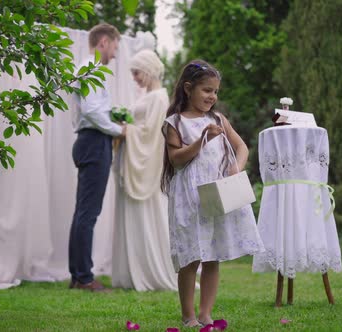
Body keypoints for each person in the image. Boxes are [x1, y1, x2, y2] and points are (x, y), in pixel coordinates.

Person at [161, 60, 265, 327]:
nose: (212, 97)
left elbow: (242, 147)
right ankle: (188, 315)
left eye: (215, 91)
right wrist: (202, 140)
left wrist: (235, 167)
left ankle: (206, 313)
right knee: (191, 256)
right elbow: (176, 160)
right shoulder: (175, 122)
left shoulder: (218, 119)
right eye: (206, 90)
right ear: (188, 88)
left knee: (212, 254)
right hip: (190, 197)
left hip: (216, 193)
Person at [111, 50, 177, 291]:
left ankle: (150, 271)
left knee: (146, 215)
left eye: (136, 72)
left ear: (148, 70)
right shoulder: (150, 96)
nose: (134, 78)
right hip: (131, 161)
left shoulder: (159, 97)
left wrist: (128, 130)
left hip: (143, 166)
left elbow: (152, 133)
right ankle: (131, 271)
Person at [69, 23, 126, 292]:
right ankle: (84, 277)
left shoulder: (88, 68)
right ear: (103, 42)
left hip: (90, 142)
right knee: (88, 213)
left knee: (83, 212)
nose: (114, 54)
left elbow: (95, 109)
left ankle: (78, 275)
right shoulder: (91, 69)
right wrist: (119, 130)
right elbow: (92, 111)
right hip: (94, 142)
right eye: (114, 47)